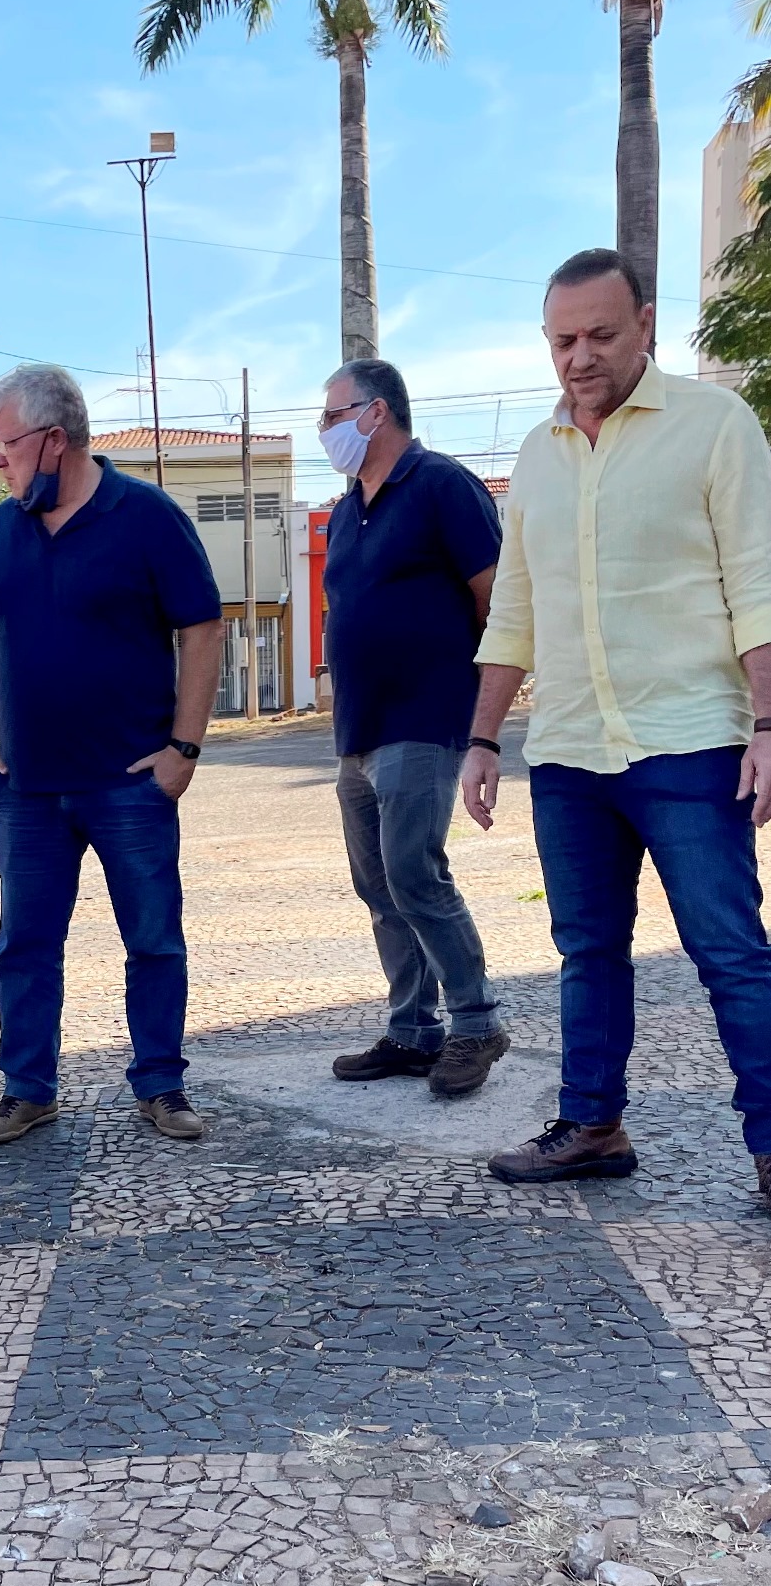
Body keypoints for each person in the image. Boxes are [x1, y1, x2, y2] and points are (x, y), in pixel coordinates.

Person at [464, 248, 771, 1195]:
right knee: (585, 951)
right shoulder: (536, 454)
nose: (579, 357)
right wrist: (482, 737)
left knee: (728, 952)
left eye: (600, 334)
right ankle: (592, 1124)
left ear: (645, 323)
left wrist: (767, 722)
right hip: (567, 749)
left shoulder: (715, 425)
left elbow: (757, 583)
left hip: (690, 742)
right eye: (562, 340)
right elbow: (513, 609)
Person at [0, 363, 224, 1144]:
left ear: (53, 441)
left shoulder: (146, 516)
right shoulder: (1, 528)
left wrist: (184, 748)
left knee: (152, 940)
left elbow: (202, 627)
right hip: (28, 789)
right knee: (23, 948)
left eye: (6, 445)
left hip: (129, 783)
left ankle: (160, 1083)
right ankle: (27, 1089)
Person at [321, 357, 509, 1097]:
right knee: (378, 886)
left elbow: (496, 600)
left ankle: (476, 1022)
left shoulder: (441, 485)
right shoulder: (347, 509)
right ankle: (412, 1030)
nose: (324, 429)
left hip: (424, 716)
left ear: (377, 412)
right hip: (358, 729)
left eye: (333, 414)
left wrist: (480, 712)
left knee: (413, 873)